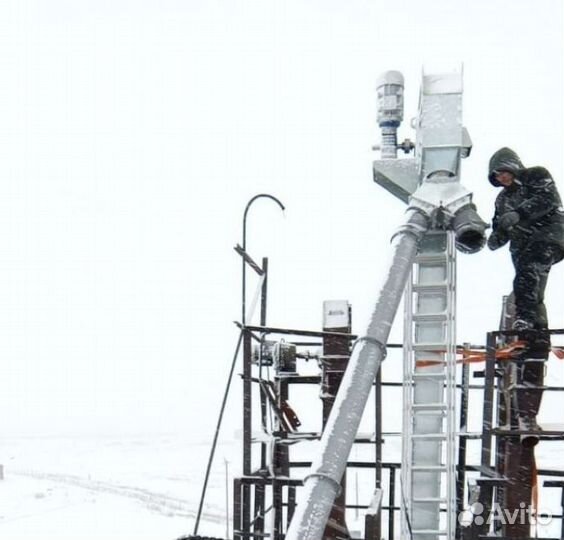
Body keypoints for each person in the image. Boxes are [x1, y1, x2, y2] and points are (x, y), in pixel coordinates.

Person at [487, 147, 564, 445]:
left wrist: (519, 214)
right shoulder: (502, 199)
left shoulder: (536, 176)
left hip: (546, 238)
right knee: (528, 290)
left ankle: (526, 323)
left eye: (504, 172)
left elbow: (548, 201)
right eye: (497, 176)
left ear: (513, 168)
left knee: (529, 276)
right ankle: (535, 330)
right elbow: (500, 230)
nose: (502, 178)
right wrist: (493, 236)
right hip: (523, 251)